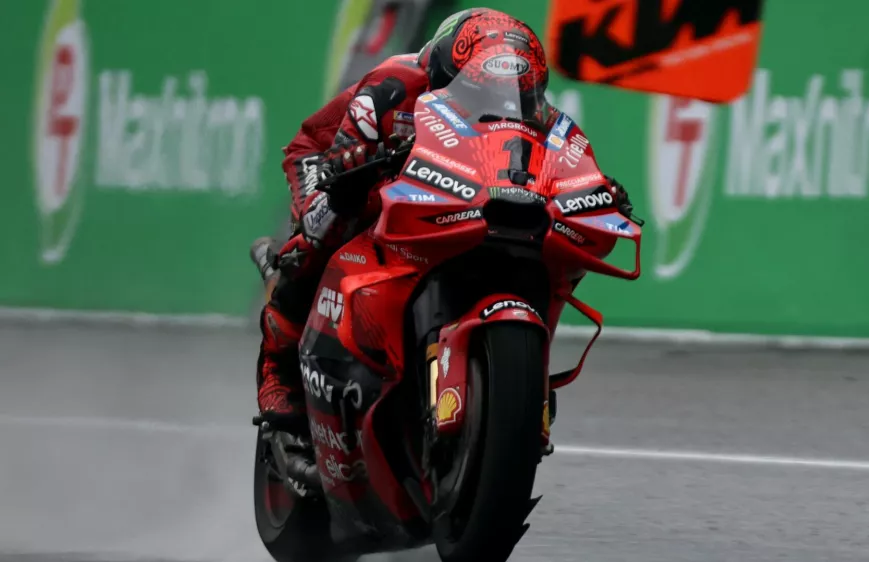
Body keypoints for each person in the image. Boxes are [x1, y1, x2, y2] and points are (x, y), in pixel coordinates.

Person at [251, 7, 635, 487]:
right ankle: (278, 371)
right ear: (444, 76)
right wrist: (352, 163)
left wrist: (597, 192)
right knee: (326, 224)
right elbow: (341, 161)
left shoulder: (545, 120)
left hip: (459, 194)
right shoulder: (389, 90)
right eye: (481, 92)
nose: (499, 102)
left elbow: (569, 167)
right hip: (332, 160)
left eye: (513, 93)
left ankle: (511, 396)